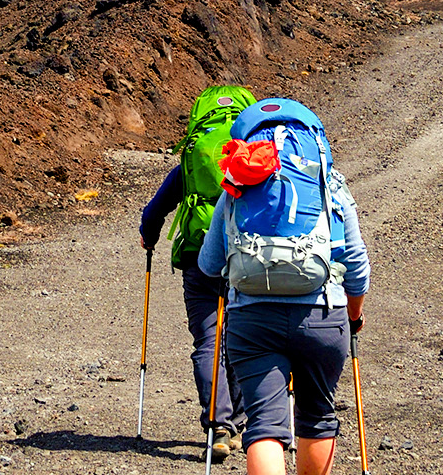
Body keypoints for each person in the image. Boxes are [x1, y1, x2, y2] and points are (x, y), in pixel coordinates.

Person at [199, 98, 370, 475]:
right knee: (318, 417)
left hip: (252, 317)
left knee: (264, 427)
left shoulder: (236, 189)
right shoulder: (331, 185)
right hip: (323, 315)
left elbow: (209, 264)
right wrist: (354, 315)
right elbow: (356, 263)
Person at [138, 86, 255, 457]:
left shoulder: (188, 164)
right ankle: (241, 424)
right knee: (240, 341)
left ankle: (219, 424)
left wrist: (149, 237)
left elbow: (154, 210)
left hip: (197, 255)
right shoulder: (258, 163)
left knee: (209, 341)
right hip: (244, 260)